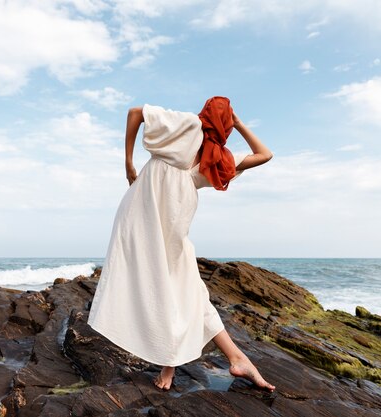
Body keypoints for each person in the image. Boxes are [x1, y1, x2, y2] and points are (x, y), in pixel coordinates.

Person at [87, 96, 275, 392]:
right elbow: (265, 154)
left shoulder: (187, 127)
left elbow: (135, 112)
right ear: (226, 123)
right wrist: (237, 124)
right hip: (173, 214)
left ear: (205, 114)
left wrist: (128, 163)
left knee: (168, 286)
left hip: (144, 211)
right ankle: (231, 358)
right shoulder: (220, 157)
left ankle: (201, 359)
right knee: (182, 287)